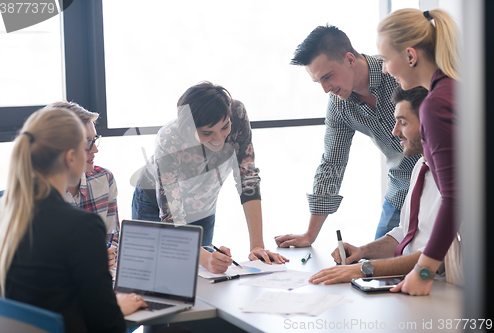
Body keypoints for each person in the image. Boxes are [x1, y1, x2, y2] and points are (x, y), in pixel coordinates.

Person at [0, 107, 146, 332]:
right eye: (86, 144)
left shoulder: (3, 214)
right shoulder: (82, 227)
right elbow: (108, 327)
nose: (94, 149)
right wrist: (117, 308)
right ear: (70, 157)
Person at [275, 24, 420, 248]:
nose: (325, 89)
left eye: (328, 76)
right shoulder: (339, 105)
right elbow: (332, 164)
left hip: (441, 179)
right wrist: (309, 235)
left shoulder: (396, 73)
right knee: (377, 267)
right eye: (318, 82)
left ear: (350, 59)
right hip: (400, 189)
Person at [133, 81, 288, 274]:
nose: (219, 138)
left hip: (202, 204)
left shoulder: (237, 113)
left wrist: (257, 246)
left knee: (198, 278)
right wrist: (205, 259)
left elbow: (247, 178)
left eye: (224, 127)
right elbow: (171, 215)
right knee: (155, 274)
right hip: (156, 205)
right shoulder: (169, 139)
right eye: (207, 133)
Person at [309, 86, 440, 284]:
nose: (395, 132)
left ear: (427, 125)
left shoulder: (455, 180)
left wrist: (365, 269)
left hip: (436, 284)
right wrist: (362, 252)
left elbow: (437, 256)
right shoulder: (420, 166)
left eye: (403, 123)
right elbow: (404, 233)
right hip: (409, 282)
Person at [377, 8, 459, 295]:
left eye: (386, 59)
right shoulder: (456, 90)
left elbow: (456, 197)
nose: (385, 69)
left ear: (411, 56)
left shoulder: (436, 105)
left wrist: (423, 273)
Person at [45, 101, 119, 270]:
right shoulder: (39, 193)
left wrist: (109, 255)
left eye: (94, 140)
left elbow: (112, 237)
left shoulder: (104, 179)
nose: (95, 150)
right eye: (86, 142)